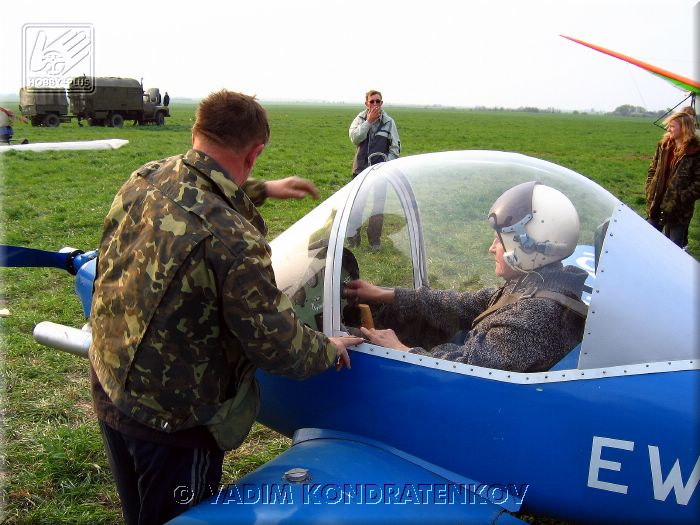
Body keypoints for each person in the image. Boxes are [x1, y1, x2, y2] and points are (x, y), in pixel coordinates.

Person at [89, 89, 362, 525]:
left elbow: (193, 192)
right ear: (254, 152)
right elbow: (278, 346)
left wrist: (260, 189)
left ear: (197, 131)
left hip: (111, 384)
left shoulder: (145, 177)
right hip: (175, 425)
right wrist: (328, 348)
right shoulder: (235, 243)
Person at [344, 181, 589, 373]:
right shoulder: (537, 283)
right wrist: (385, 294)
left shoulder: (531, 319)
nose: (491, 248)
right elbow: (465, 304)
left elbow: (465, 370)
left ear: (528, 246)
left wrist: (400, 349)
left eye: (500, 240)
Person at [347, 90, 401, 250]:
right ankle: (353, 238)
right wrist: (368, 122)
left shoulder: (389, 122)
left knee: (378, 206)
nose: (375, 104)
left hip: (380, 171)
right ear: (366, 103)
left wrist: (385, 165)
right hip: (360, 169)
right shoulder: (360, 119)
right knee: (357, 204)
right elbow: (355, 138)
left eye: (378, 101)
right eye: (372, 102)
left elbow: (395, 148)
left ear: (382, 103)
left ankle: (375, 241)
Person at [645, 111, 700, 248]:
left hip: (678, 210)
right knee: (648, 242)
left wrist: (682, 197)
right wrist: (650, 188)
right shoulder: (663, 146)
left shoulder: (696, 152)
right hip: (656, 203)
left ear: (684, 128)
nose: (668, 129)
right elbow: (653, 169)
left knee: (674, 248)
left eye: (672, 126)